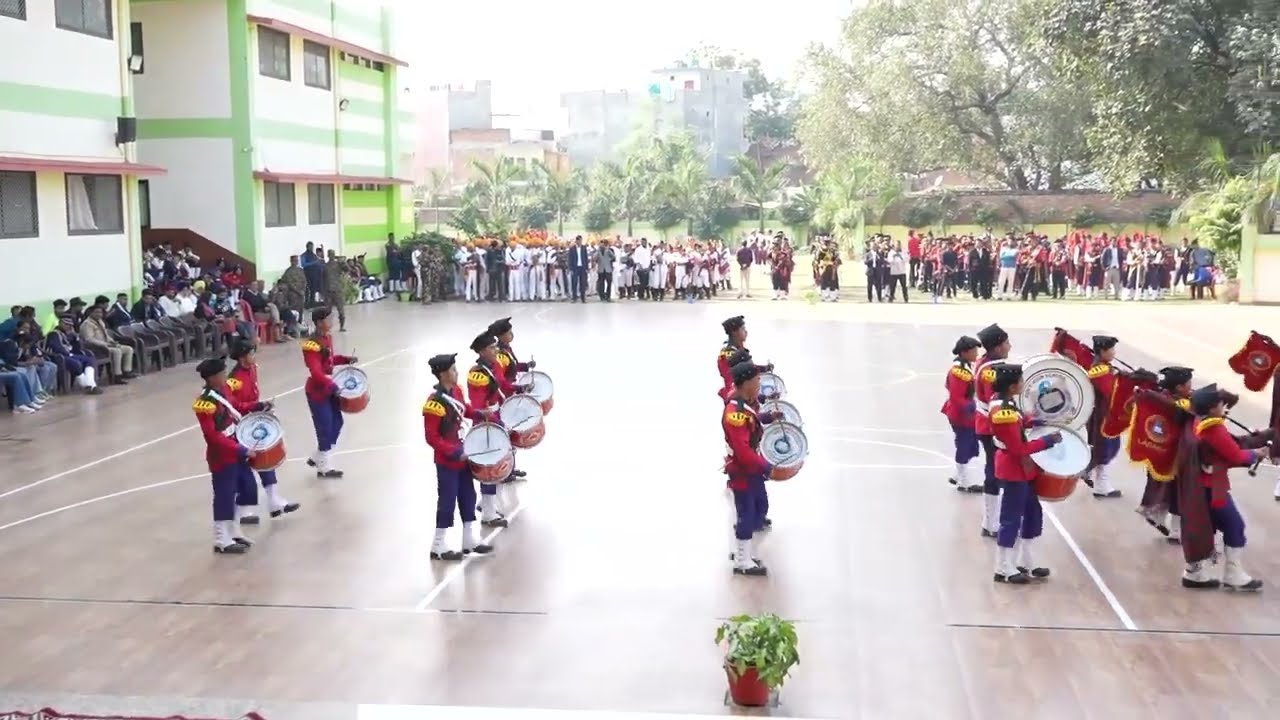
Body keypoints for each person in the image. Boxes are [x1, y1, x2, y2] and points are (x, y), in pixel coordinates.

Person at [1181, 384, 1272, 590]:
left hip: (1202, 486)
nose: (1224, 406)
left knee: (1204, 528)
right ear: (1212, 409)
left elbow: (1228, 446)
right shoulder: (1214, 429)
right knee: (1235, 526)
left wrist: (1251, 441)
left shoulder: (1199, 422)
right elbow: (1235, 455)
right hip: (1213, 488)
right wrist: (1256, 454)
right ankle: (1233, 574)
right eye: (1221, 404)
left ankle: (1193, 572)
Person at [990, 363, 1062, 584]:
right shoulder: (1003, 412)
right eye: (1021, 381)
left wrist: (1038, 421)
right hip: (1014, 470)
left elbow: (1020, 423)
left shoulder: (1007, 403)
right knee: (1010, 519)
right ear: (1012, 386)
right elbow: (1018, 448)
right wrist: (1047, 441)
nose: (1023, 384)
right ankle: (1003, 567)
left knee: (1032, 514)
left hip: (1023, 470)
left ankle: (1027, 561)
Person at [423, 353, 497, 561]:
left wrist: (481, 414)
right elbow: (432, 437)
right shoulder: (434, 403)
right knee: (447, 500)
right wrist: (453, 452)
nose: (457, 373)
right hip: (448, 461)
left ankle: (468, 539)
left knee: (468, 496)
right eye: (454, 370)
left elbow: (464, 410)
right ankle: (438, 544)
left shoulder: (456, 391)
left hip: (464, 453)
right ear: (443, 374)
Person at [227, 339, 299, 523]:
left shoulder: (252, 369)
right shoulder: (233, 380)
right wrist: (256, 406)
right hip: (239, 427)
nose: (254, 356)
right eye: (251, 353)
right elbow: (234, 407)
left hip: (252, 421)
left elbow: (253, 396)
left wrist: (261, 408)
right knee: (244, 469)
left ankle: (274, 501)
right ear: (242, 357)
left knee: (265, 461)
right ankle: (242, 512)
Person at [722, 362, 783, 576]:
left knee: (756, 509)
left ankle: (746, 555)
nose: (759, 384)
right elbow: (743, 451)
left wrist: (770, 417)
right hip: (743, 470)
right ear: (746, 383)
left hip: (750, 469)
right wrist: (768, 468)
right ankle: (742, 562)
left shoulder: (744, 405)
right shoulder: (735, 413)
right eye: (756, 380)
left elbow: (754, 420)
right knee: (746, 513)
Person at [192, 357, 258, 555]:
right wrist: (239, 449)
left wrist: (257, 406)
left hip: (237, 446)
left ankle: (234, 530)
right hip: (222, 454)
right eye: (220, 373)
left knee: (245, 488)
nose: (224, 376)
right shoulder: (204, 403)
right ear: (211, 378)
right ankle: (221, 538)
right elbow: (212, 436)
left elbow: (236, 406)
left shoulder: (225, 390)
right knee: (224, 495)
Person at [1133, 366, 1194, 540]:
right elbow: (1188, 411)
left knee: (1165, 489)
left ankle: (1157, 515)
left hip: (1160, 453)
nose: (1190, 386)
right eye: (1188, 384)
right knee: (1180, 493)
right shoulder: (1179, 404)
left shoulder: (1160, 397)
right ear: (1179, 387)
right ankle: (1176, 531)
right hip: (1176, 457)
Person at [466, 332, 517, 527]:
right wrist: (497, 421)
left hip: (495, 418)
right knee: (489, 467)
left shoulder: (492, 366)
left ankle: (486, 504)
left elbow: (503, 385)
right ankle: (488, 513)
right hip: (485, 424)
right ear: (481, 351)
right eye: (491, 348)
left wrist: (518, 388)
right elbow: (479, 404)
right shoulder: (477, 374)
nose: (496, 350)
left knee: (494, 466)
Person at [301, 307, 357, 478]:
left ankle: (318, 456)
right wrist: (332, 385)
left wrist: (345, 359)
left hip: (330, 389)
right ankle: (323, 467)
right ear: (319, 323)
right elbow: (316, 372)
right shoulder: (311, 345)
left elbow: (329, 361)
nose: (331, 322)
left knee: (337, 422)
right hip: (318, 391)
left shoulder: (327, 338)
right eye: (328, 319)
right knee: (324, 426)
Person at [973, 323, 1011, 537]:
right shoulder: (990, 371)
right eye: (1006, 343)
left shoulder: (987, 362)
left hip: (986, 422)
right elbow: (995, 399)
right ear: (997, 347)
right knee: (994, 472)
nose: (1009, 346)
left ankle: (992, 520)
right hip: (990, 425)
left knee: (994, 470)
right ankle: (990, 522)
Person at [489, 315, 535, 481]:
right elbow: (501, 381)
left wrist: (526, 366)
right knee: (505, 435)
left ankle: (510, 468)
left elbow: (513, 367)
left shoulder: (507, 349)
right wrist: (519, 388)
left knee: (510, 434)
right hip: (504, 398)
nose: (511, 335)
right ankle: (504, 470)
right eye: (509, 332)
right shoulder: (500, 355)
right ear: (501, 336)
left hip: (510, 394)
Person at [1085, 335, 1131, 498]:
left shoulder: (1104, 367)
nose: (1114, 352)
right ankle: (1101, 485)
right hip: (1103, 418)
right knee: (1104, 450)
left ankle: (1091, 475)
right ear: (1103, 351)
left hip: (1106, 416)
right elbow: (1112, 393)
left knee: (1105, 449)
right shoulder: (1099, 371)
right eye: (1111, 349)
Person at [943, 336, 983, 492]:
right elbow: (957, 398)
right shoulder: (959, 372)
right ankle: (964, 482)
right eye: (973, 351)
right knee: (964, 445)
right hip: (962, 416)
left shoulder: (964, 366)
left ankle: (958, 474)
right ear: (964, 352)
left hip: (963, 414)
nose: (976, 354)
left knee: (967, 444)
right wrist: (974, 406)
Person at [716, 316, 773, 403]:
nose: (746, 332)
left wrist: (765, 369)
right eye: (742, 329)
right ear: (734, 332)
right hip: (737, 397)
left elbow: (749, 370)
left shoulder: (738, 350)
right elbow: (744, 375)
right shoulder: (730, 354)